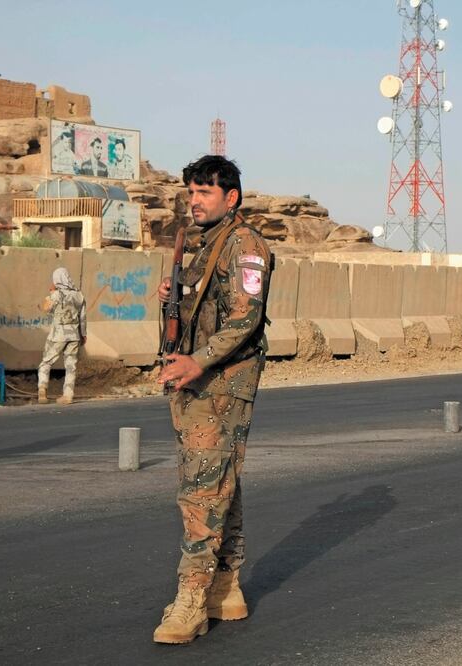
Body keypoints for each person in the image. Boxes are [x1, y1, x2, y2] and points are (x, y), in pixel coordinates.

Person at [153, 155, 272, 644]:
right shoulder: (204, 244)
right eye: (191, 193)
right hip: (196, 379)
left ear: (231, 197)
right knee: (220, 481)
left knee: (201, 491)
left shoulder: (245, 245)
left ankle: (191, 601)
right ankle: (226, 586)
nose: (195, 202)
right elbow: (202, 306)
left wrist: (198, 362)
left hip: (222, 382)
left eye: (204, 193)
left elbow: (245, 319)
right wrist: (172, 295)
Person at [37, 268, 87, 405]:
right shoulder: (79, 295)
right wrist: (83, 334)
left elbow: (46, 309)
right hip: (74, 335)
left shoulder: (55, 295)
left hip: (57, 335)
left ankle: (42, 392)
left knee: (46, 362)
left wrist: (50, 293)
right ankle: (68, 395)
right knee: (71, 366)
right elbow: (83, 318)